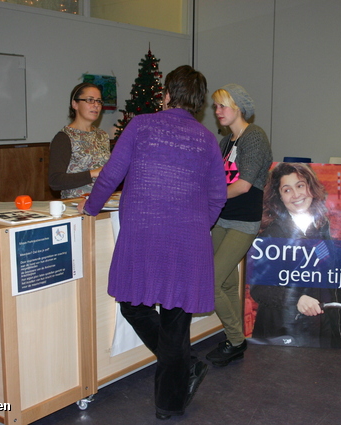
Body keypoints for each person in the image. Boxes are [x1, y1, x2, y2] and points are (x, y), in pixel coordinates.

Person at [76, 65, 227, 420]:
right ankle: (177, 383)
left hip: (143, 236)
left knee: (132, 304)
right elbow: (218, 196)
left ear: (168, 93)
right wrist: (195, 225)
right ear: (199, 102)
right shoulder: (206, 139)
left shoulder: (141, 126)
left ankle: (172, 392)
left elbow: (112, 173)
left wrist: (90, 208)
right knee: (175, 319)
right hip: (187, 242)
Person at [249, 162, 341, 348]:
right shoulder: (271, 233)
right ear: (279, 196)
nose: (296, 195)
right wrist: (297, 298)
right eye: (287, 190)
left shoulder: (322, 225)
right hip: (284, 328)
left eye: (300, 185)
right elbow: (260, 289)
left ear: (310, 188)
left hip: (323, 326)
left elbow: (328, 268)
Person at [205, 84, 273, 366]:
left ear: (239, 107)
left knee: (211, 282)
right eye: (216, 106)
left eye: (223, 106)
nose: (217, 111)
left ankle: (236, 341)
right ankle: (234, 338)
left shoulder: (253, 137)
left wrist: (207, 194)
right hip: (223, 218)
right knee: (227, 282)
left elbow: (243, 185)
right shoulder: (226, 142)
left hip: (243, 221)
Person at [48, 82, 111, 198]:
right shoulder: (64, 138)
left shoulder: (103, 136)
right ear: (75, 104)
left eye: (99, 101)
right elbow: (55, 181)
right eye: (90, 100)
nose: (96, 105)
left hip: (104, 203)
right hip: (75, 207)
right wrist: (93, 173)